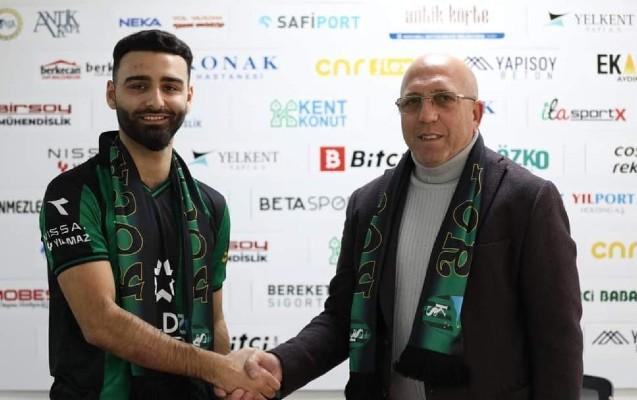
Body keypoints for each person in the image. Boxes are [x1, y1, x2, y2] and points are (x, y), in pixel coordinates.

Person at [219, 54, 583, 399]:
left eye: (443, 99)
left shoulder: (526, 200)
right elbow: (343, 317)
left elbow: (557, 340)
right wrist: (281, 364)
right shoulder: (369, 203)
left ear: (476, 113)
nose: (426, 115)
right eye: (412, 102)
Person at [39, 30, 279, 400]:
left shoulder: (211, 204)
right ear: (112, 93)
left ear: (189, 96)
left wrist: (228, 384)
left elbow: (214, 321)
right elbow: (100, 322)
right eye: (138, 85)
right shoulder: (73, 193)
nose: (156, 100)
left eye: (170, 86)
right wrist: (218, 367)